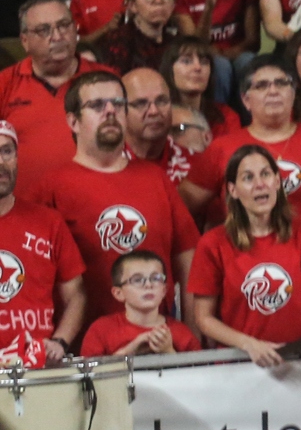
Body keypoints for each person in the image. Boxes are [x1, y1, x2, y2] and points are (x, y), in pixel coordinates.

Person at [47, 70, 200, 317]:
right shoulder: (51, 187)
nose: (110, 111)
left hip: (158, 339)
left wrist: (193, 335)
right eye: (97, 105)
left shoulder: (155, 178)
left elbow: (187, 258)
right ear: (73, 121)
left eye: (118, 104)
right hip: (85, 345)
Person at [188, 144, 301, 364]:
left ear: (277, 182)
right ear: (233, 190)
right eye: (248, 178)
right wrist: (249, 345)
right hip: (238, 364)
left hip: (297, 364)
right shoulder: (212, 243)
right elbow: (204, 318)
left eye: (266, 174)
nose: (260, 184)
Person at [182, 55, 301, 225]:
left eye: (281, 83)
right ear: (246, 100)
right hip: (244, 248)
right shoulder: (222, 148)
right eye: (261, 86)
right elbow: (180, 209)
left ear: (294, 93)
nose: (273, 91)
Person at [0, 0, 115, 192]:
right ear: (25, 41)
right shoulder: (5, 83)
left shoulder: (107, 81)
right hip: (25, 210)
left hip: (97, 202)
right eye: (44, 30)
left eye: (63, 26)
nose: (57, 36)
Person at [0, 120, 85, 364]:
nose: (1, 162)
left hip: (36, 366)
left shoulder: (48, 222)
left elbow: (77, 295)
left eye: (7, 151)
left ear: (17, 158)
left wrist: (60, 341)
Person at [79, 249, 199, 356]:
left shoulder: (182, 333)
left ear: (164, 290)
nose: (148, 285)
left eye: (156, 278)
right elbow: (90, 377)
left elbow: (198, 375)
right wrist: (130, 350)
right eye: (137, 280)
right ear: (118, 293)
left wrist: (168, 352)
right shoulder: (100, 330)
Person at [91, 0, 179, 75]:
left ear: (174, 3)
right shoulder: (116, 44)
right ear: (132, 4)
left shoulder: (177, 43)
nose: (159, 0)